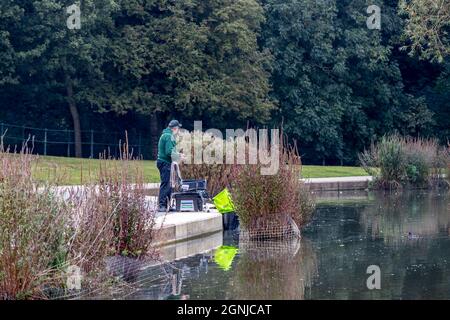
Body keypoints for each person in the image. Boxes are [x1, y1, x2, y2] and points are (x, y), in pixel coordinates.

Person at [156, 119, 183, 212]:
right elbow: (168, 152)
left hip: (164, 162)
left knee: (169, 184)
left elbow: (170, 150)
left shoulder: (166, 135)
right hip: (165, 163)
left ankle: (167, 205)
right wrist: (179, 155)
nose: (178, 130)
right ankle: (161, 205)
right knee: (166, 184)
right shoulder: (168, 136)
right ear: (174, 128)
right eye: (178, 128)